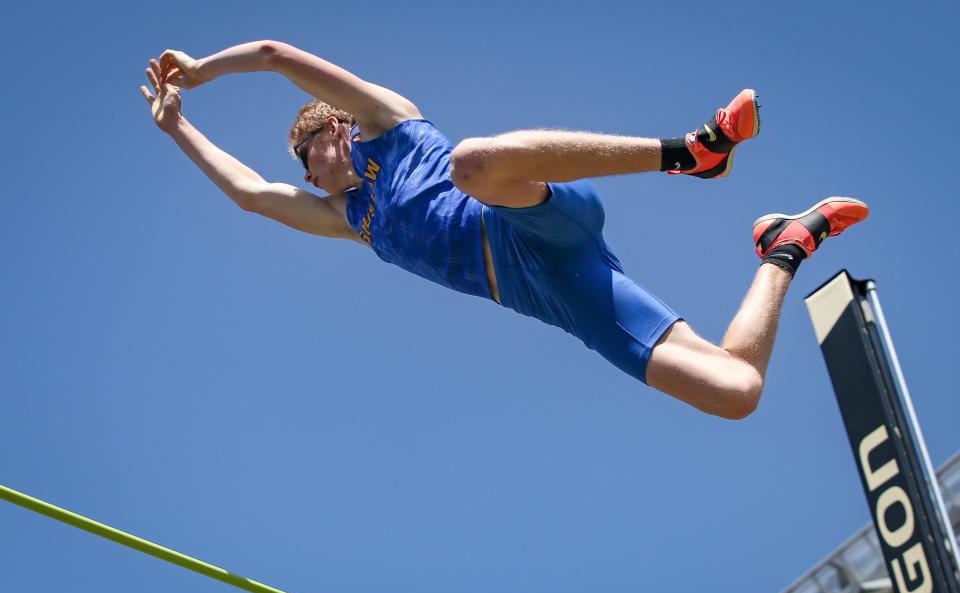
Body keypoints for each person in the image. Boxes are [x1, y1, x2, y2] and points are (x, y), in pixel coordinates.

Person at [139, 40, 868, 420]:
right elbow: (250, 196)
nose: (303, 176)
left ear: (332, 129)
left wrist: (204, 72)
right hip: (547, 292)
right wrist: (179, 130)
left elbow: (274, 55)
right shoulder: (349, 218)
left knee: (471, 162)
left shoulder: (386, 123)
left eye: (304, 158)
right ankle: (785, 245)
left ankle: (691, 153)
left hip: (533, 221)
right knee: (736, 391)